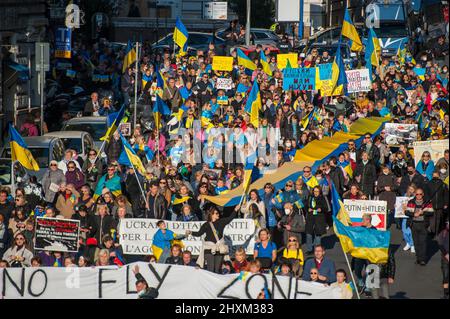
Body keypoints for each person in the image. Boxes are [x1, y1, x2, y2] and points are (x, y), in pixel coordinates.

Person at [188, 206, 238, 273]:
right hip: (209, 249)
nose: (218, 214)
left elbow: (230, 218)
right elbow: (199, 233)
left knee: (217, 270)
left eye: (218, 213)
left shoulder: (221, 222)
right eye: (216, 213)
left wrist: (235, 209)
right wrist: (191, 232)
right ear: (211, 214)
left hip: (219, 249)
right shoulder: (206, 224)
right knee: (210, 270)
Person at [405, 188, 434, 265]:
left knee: (423, 242)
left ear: (423, 194)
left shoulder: (427, 203)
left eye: (420, 194)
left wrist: (423, 212)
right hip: (413, 224)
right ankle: (418, 258)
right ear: (415, 194)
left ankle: (423, 259)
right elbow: (406, 212)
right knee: (416, 242)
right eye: (417, 194)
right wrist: (414, 214)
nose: (419, 196)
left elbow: (431, 212)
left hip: (423, 224)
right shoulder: (411, 202)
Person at [305, 186, 328, 254]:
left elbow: (326, 208)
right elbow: (306, 206)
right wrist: (308, 209)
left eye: (317, 191)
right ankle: (309, 249)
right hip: (310, 217)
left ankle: (316, 249)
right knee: (308, 233)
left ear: (320, 191)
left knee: (317, 234)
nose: (316, 193)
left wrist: (321, 209)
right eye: (314, 191)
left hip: (319, 218)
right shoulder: (310, 197)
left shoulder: (322, 198)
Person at [437, 218, 449, 299]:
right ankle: (446, 294)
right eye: (448, 223)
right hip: (445, 258)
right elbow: (440, 245)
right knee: (445, 275)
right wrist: (446, 254)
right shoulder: (443, 233)